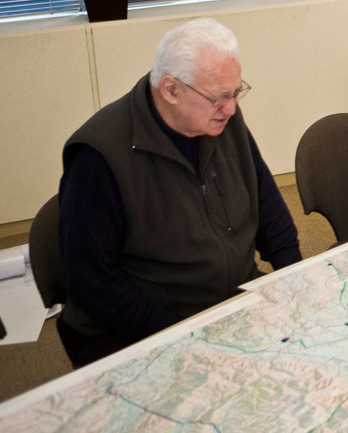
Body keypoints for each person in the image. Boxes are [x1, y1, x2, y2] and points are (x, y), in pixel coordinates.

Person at [57, 18, 302, 367]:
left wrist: (293, 279)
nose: (230, 109)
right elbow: (93, 283)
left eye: (236, 93)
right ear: (170, 90)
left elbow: (265, 200)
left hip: (226, 301)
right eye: (219, 98)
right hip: (144, 327)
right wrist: (184, 337)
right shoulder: (99, 157)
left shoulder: (222, 119)